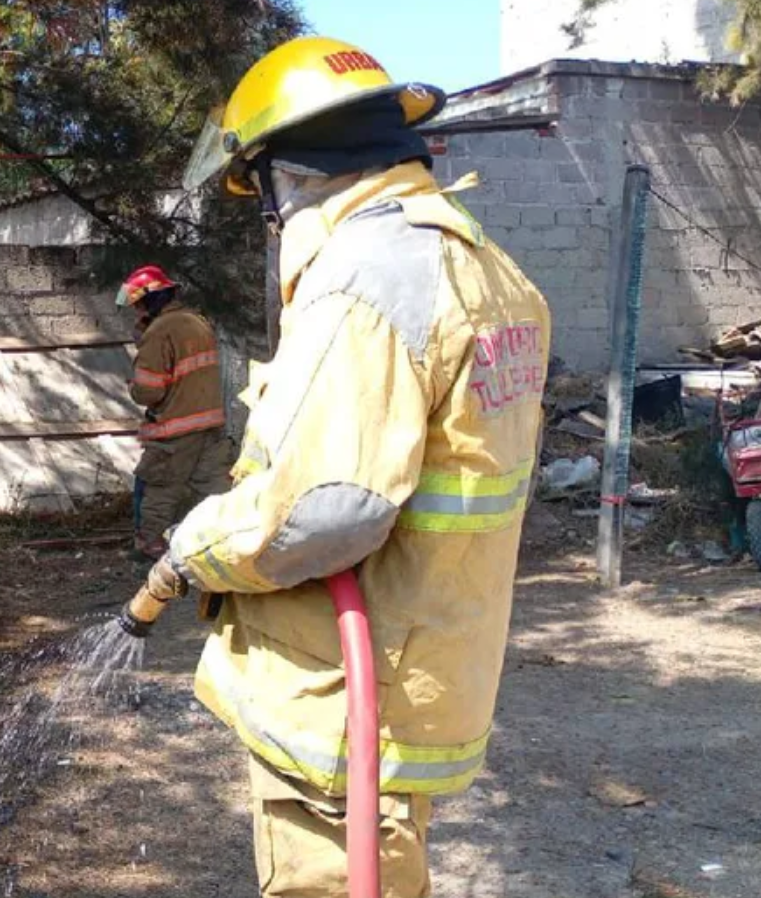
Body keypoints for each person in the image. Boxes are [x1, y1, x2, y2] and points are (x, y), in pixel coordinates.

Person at [121, 36, 552, 897]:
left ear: (287, 177)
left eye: (261, 194)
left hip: (342, 686)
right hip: (422, 655)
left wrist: (191, 547)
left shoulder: (364, 279)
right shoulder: (478, 263)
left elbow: (325, 511)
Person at [117, 264, 233, 560]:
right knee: (214, 490)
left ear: (150, 300)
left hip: (175, 428)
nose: (137, 312)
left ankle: (150, 545)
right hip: (210, 423)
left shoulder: (159, 331)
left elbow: (149, 391)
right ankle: (222, 543)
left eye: (138, 305)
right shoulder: (197, 321)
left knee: (158, 487)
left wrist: (133, 387)